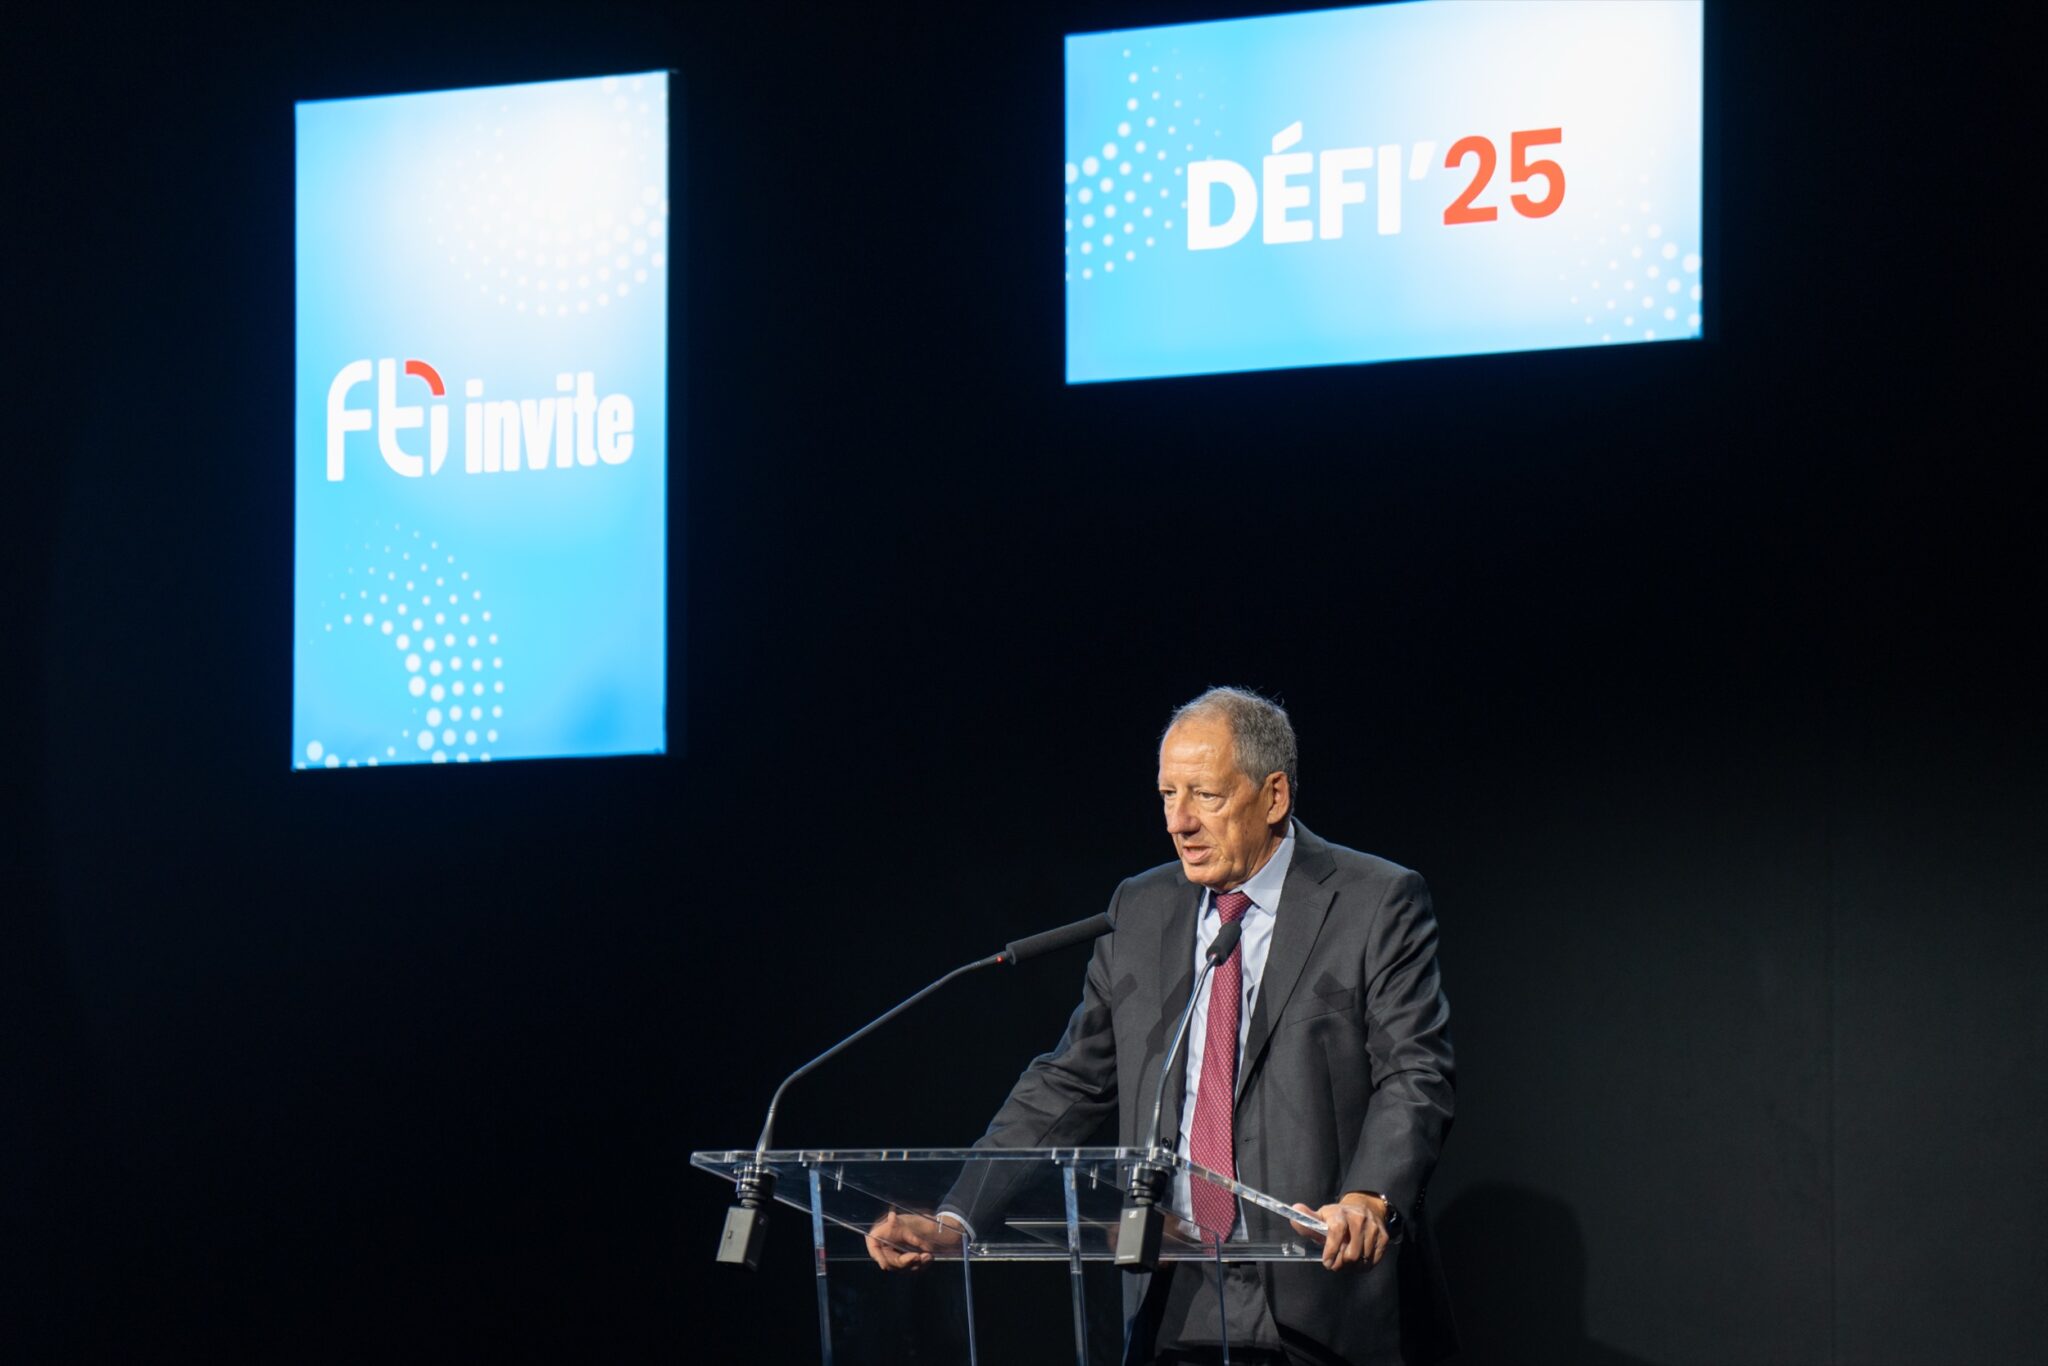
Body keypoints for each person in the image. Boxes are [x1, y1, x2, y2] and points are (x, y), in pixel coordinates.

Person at [867, 687, 1456, 1365]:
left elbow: (1415, 1073)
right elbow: (1069, 1082)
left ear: (1273, 796)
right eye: (1168, 795)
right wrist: (956, 1216)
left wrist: (1368, 1198)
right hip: (1174, 1289)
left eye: (1205, 795)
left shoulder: (1373, 901)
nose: (1179, 822)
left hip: (1320, 1289)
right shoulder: (1141, 908)